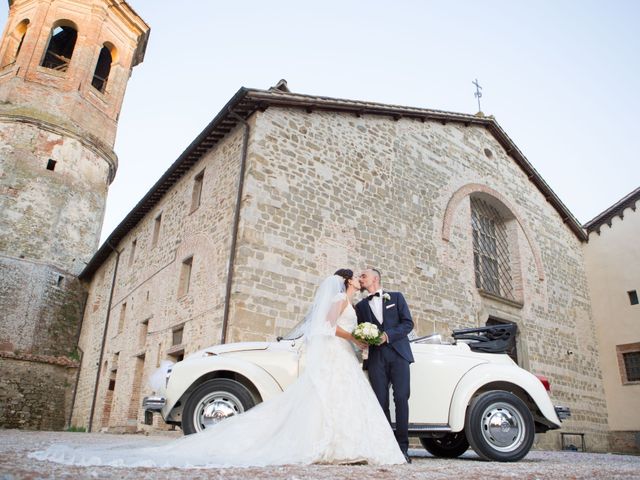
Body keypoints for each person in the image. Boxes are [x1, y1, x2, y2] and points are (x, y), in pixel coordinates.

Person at [31, 270, 406, 468]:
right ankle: (333, 444)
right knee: (326, 399)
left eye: (363, 278)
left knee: (334, 399)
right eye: (357, 278)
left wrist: (360, 339)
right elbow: (324, 327)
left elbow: (333, 327)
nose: (360, 281)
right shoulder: (342, 298)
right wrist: (356, 337)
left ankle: (346, 444)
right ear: (346, 282)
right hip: (340, 352)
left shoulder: (363, 298)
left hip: (354, 356)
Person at [355, 268, 414, 464]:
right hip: (376, 358)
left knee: (401, 398)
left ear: (375, 279)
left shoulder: (396, 298)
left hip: (399, 355)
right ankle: (388, 448)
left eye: (363, 276)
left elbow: (408, 324)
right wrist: (363, 339)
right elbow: (360, 330)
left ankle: (403, 448)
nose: (360, 279)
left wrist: (387, 336)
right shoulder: (361, 306)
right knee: (381, 403)